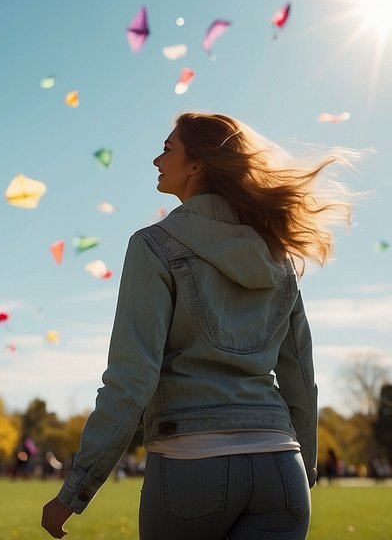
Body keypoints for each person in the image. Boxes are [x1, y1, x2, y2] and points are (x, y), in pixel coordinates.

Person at [40, 113, 351, 540]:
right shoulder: (278, 257)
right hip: (281, 467)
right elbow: (301, 375)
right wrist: (307, 467)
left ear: (197, 164)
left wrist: (75, 490)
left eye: (167, 148)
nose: (155, 160)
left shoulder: (152, 246)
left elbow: (132, 380)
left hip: (190, 463)